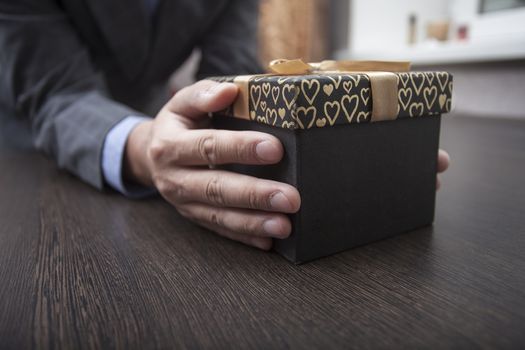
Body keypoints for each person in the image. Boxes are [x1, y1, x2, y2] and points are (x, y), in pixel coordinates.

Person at [0, 0, 450, 250]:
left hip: (161, 118)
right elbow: (59, 94)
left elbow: (232, 78)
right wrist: (147, 145)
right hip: (33, 153)